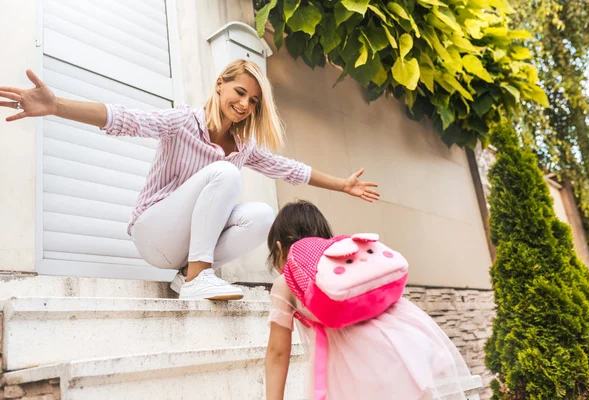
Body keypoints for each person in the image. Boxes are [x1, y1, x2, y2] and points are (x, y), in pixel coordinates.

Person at [0, 60, 380, 300]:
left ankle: (189, 278)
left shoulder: (243, 145)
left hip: (183, 249)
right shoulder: (183, 121)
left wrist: (343, 185)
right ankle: (200, 277)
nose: (245, 104)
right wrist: (55, 106)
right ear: (220, 85)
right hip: (152, 233)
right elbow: (123, 118)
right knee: (225, 173)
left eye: (254, 101)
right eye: (240, 92)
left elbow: (291, 169)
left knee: (262, 215)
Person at [265, 200, 473, 400]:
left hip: (358, 370)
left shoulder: (285, 283)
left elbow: (278, 353)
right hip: (406, 349)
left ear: (279, 247)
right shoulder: (348, 265)